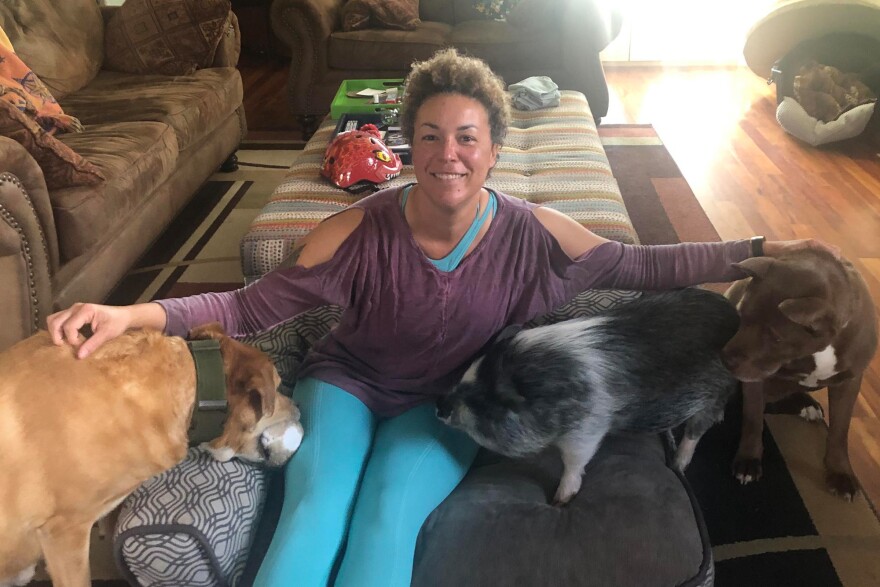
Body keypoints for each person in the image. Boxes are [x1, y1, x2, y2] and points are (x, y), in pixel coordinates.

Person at [47, 48, 836, 586]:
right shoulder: (359, 228)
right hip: (347, 386)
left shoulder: (534, 232)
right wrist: (133, 312)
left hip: (445, 406)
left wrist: (758, 248)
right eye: (431, 137)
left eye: (467, 138)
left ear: (494, 149)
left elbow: (639, 265)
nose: (448, 154)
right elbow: (247, 305)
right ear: (411, 145)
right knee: (320, 506)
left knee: (388, 517)